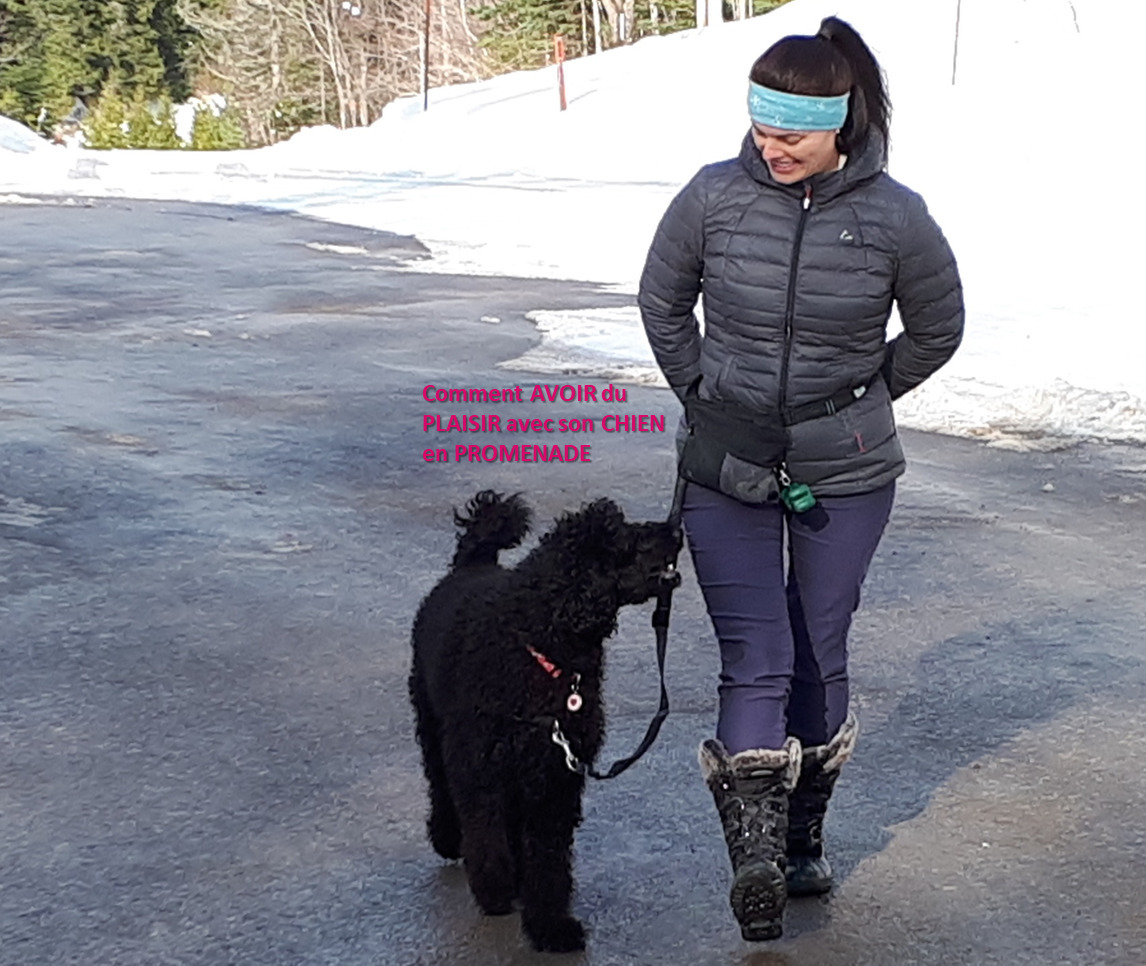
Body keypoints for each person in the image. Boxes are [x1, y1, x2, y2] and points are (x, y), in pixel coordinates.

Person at [638, 16, 964, 942]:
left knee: (819, 645)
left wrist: (860, 400)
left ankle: (800, 839)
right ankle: (756, 861)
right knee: (756, 653)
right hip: (727, 461)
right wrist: (703, 395)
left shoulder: (896, 217)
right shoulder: (713, 196)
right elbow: (662, 302)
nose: (769, 148)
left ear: (838, 127)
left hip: (846, 471)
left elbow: (938, 328)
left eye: (789, 135)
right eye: (760, 129)